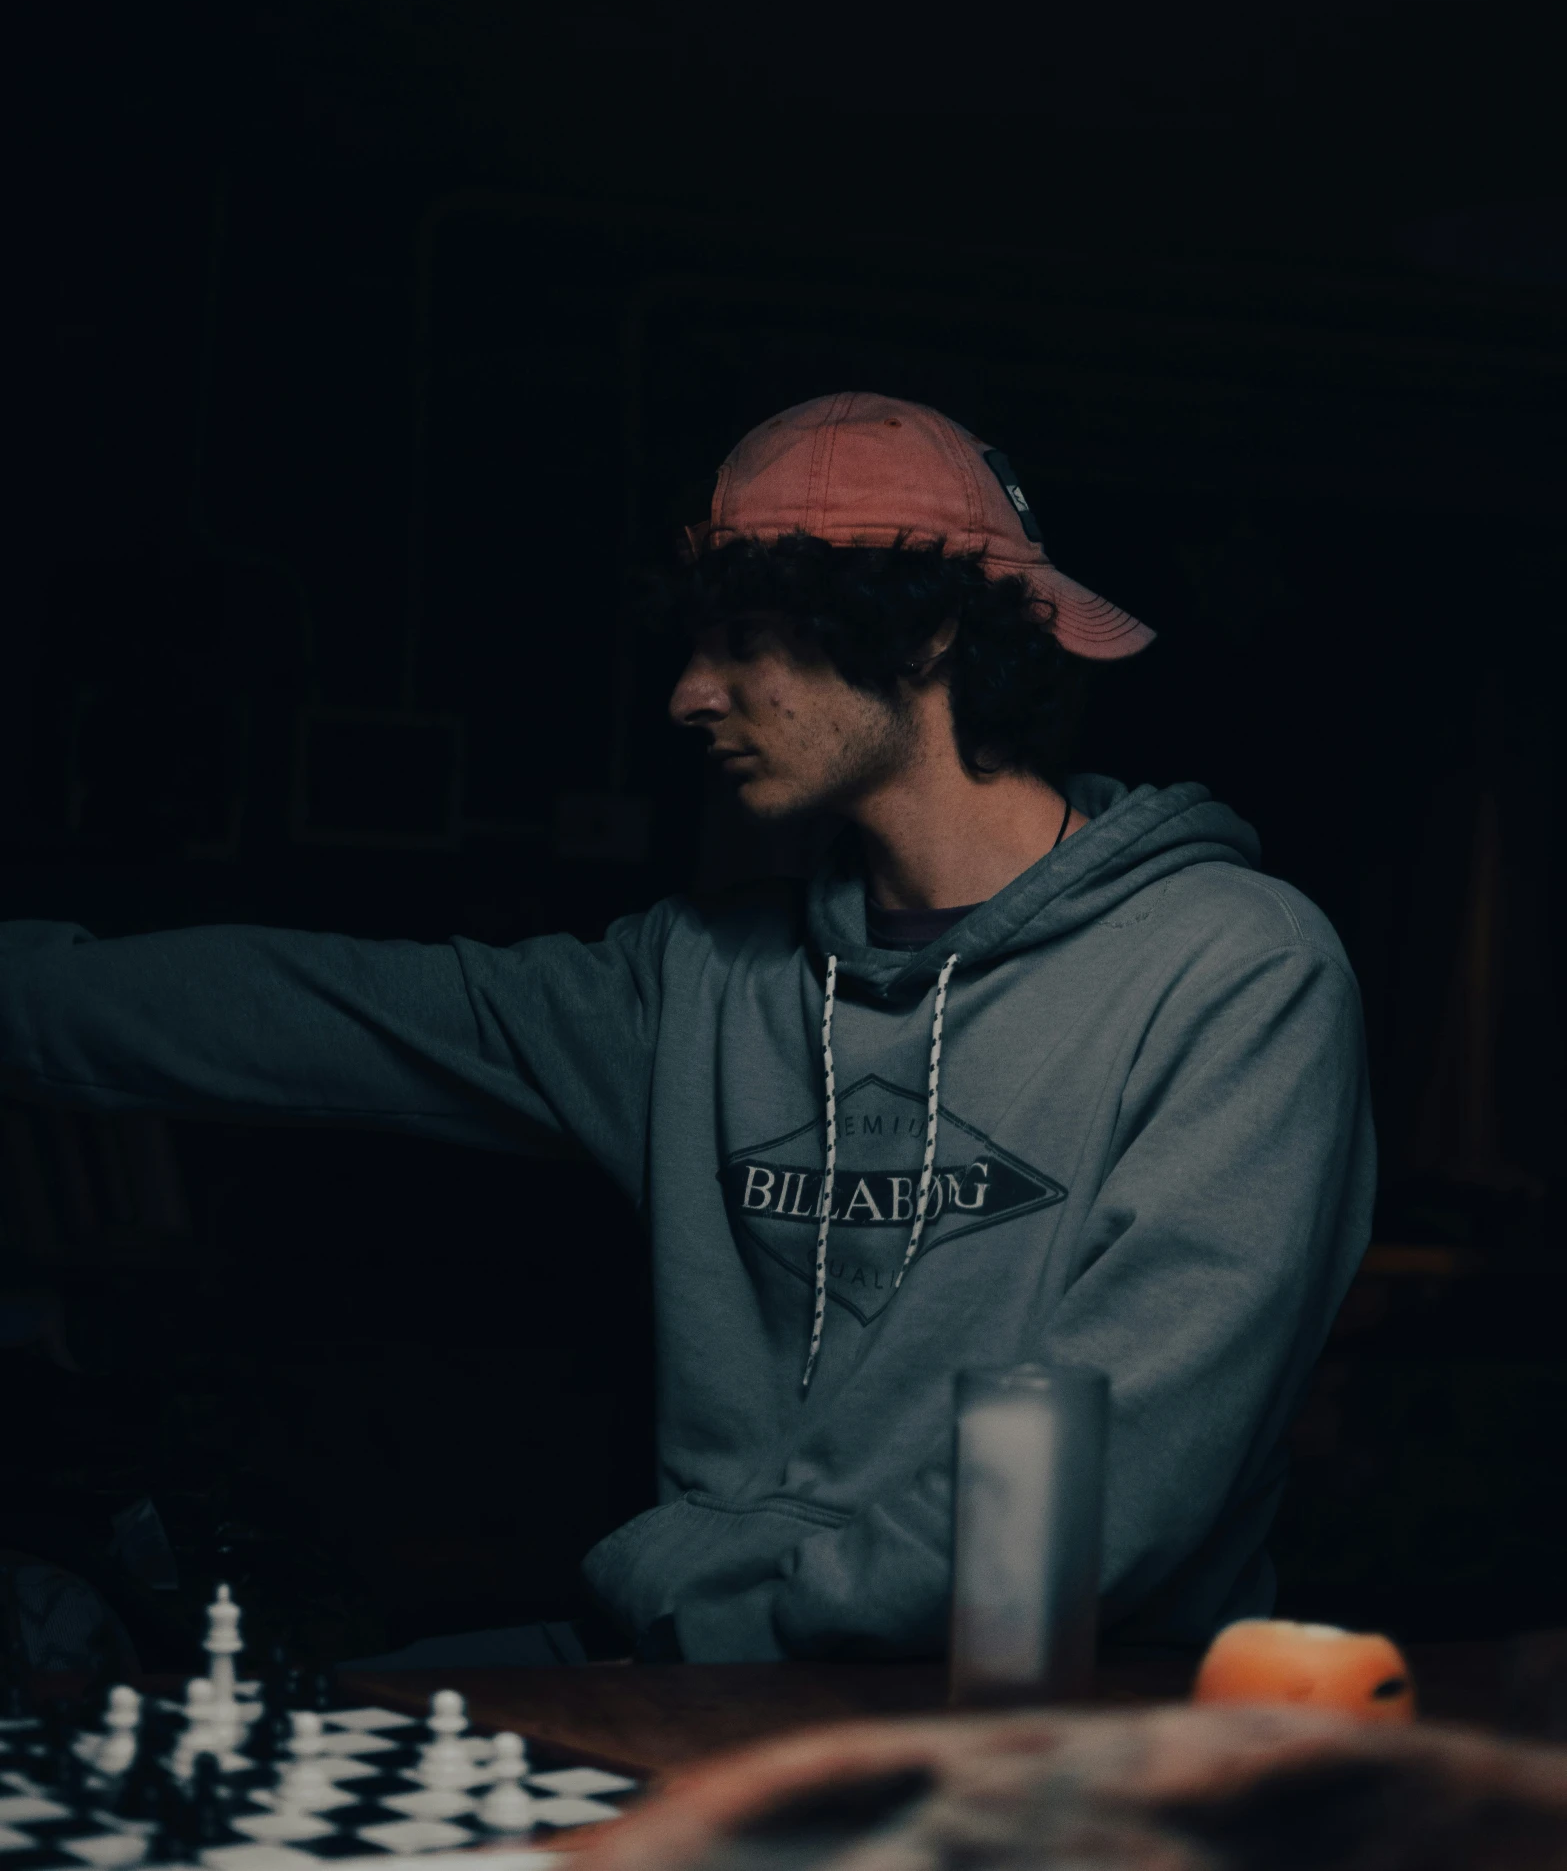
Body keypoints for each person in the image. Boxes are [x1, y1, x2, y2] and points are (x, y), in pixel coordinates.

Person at [0, 393, 1373, 1664]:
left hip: (1026, 1728)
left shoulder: (1234, 971)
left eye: (746, 636)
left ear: (930, 631)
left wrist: (712, 1623)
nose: (687, 692)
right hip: (697, 1680)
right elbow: (324, 1010)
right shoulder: (700, 978)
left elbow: (1095, 1509)